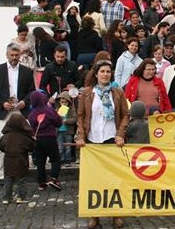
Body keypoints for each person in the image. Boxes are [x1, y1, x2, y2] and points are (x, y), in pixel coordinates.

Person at [75, 59, 129, 229]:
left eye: (108, 72)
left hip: (112, 140)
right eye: (102, 71)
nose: (105, 74)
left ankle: (116, 213)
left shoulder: (118, 92)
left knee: (114, 178)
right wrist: (81, 136)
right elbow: (81, 116)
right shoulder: (87, 93)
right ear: (96, 74)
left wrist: (120, 134)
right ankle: (94, 214)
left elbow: (125, 115)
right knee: (93, 179)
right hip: (92, 141)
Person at [0, 43, 36, 185]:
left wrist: (24, 101)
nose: (14, 58)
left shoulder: (27, 71)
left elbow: (31, 91)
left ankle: (20, 173)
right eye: (12, 55)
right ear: (7, 55)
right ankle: (0, 175)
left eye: (17, 55)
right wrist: (2, 103)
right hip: (5, 111)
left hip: (21, 110)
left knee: (22, 142)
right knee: (2, 142)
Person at [28, 90, 63, 191]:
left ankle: (41, 182)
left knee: (40, 161)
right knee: (55, 159)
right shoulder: (48, 110)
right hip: (49, 138)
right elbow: (58, 122)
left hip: (37, 140)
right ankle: (54, 178)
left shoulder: (31, 114)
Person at [0, 113, 35, 205]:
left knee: (8, 179)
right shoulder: (24, 138)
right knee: (21, 179)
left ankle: (6, 197)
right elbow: (31, 147)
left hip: (8, 161)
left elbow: (1, 147)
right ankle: (21, 197)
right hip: (21, 161)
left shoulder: (5, 137)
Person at [56, 92, 76, 166]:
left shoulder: (71, 110)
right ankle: (61, 160)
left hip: (68, 131)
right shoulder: (57, 109)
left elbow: (74, 119)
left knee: (68, 147)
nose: (63, 104)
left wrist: (66, 121)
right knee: (60, 147)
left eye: (65, 102)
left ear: (68, 102)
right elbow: (54, 119)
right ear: (59, 102)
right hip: (59, 131)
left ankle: (68, 160)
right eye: (62, 102)